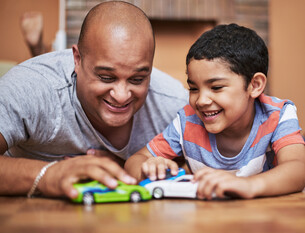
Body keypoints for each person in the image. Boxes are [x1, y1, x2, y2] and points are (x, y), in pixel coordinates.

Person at [0, 2, 188, 199]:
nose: (122, 95)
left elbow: (212, 163)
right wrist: (49, 174)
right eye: (106, 77)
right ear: (77, 59)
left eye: (137, 79)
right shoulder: (32, 85)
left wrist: (127, 167)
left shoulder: (172, 101)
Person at [125, 23, 305, 200]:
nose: (201, 101)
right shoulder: (188, 121)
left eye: (216, 87)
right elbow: (135, 160)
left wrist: (248, 185)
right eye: (194, 89)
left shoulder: (277, 115)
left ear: (255, 85)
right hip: (207, 220)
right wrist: (148, 167)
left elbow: (298, 168)